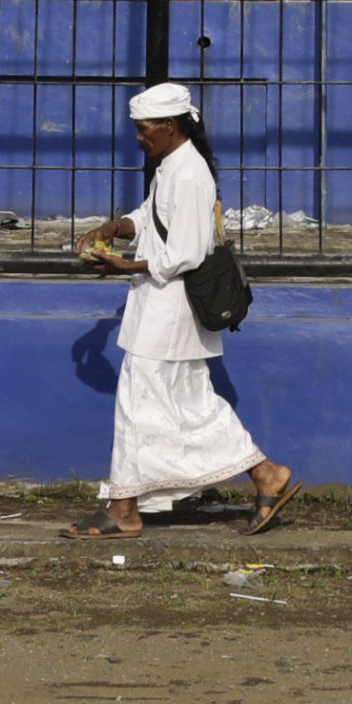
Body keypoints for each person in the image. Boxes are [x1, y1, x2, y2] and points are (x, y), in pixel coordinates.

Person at [71, 82, 297, 539]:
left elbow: (187, 253)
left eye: (143, 129)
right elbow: (153, 215)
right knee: (184, 406)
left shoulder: (190, 173)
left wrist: (124, 265)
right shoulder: (173, 165)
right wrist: (115, 226)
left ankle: (126, 510)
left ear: (169, 126)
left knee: (146, 407)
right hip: (159, 309)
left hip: (170, 313)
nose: (139, 137)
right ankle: (261, 474)